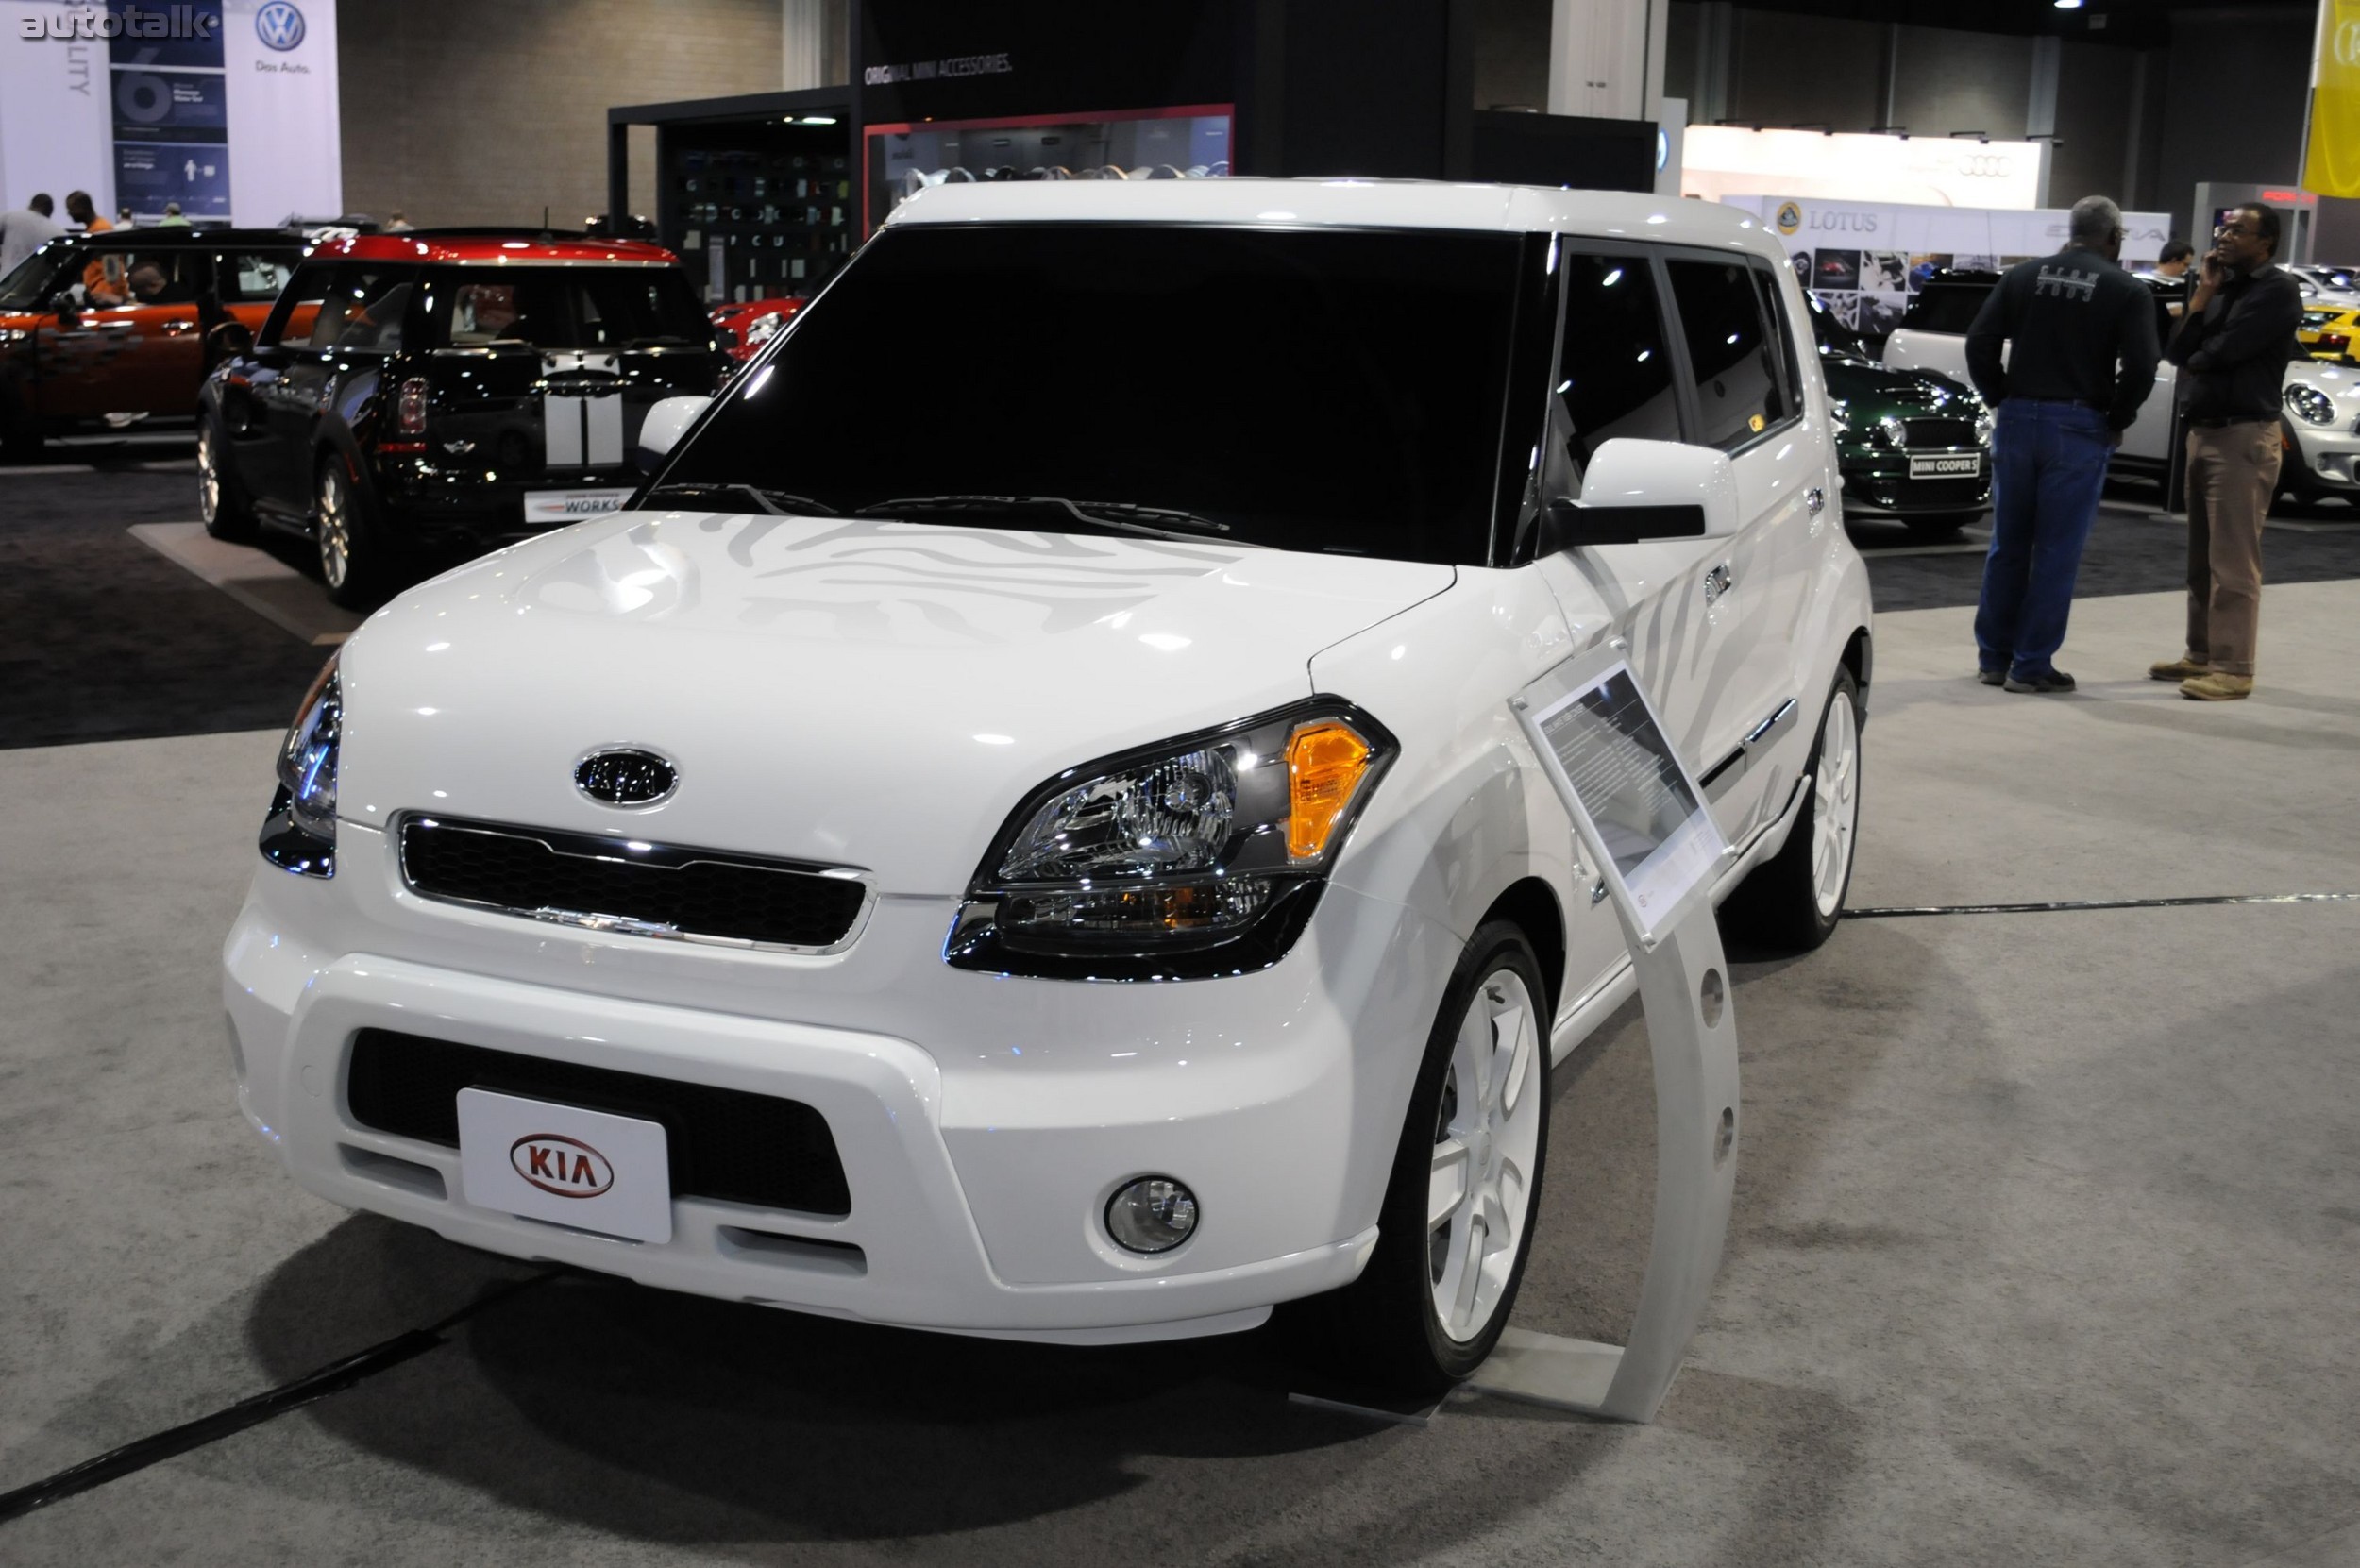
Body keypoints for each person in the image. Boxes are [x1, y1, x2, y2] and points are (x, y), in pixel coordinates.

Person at [1963, 194, 2162, 693]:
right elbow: (2143, 365)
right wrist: (2118, 417)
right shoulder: (2126, 289)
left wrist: (1999, 394)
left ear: (2070, 231)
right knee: (2056, 550)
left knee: (2008, 544)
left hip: (2017, 419)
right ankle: (2030, 666)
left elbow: (1979, 342)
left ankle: (1994, 659)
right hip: (2077, 427)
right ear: (2114, 237)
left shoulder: (2021, 277)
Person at [2150, 204, 2303, 702]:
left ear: (2266, 242)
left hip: (2243, 437)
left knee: (2233, 561)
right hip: (2203, 432)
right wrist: (2203, 294)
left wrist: (2199, 354)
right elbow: (2178, 353)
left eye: (2239, 230)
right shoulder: (2218, 287)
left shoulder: (2277, 290)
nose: (2225, 235)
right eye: (2224, 228)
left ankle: (2234, 668)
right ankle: (2201, 653)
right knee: (2201, 559)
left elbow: (2223, 352)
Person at [0, 194, 62, 277]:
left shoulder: (10, 216)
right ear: (51, 210)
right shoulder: (58, 232)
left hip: (7, 277)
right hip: (35, 280)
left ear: (31, 205)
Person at [2154, 237, 2196, 318]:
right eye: (2185, 265)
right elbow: (2172, 311)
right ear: (2173, 260)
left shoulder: (2175, 282)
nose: (2185, 270)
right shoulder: (2159, 283)